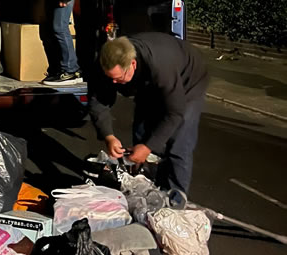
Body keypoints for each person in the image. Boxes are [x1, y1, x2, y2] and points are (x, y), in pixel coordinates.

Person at [88, 33, 209, 194]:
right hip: (148, 83)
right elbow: (98, 101)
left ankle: (176, 198)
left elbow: (174, 113)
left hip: (188, 81)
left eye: (118, 78)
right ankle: (145, 187)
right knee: (141, 131)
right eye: (110, 78)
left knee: (178, 143)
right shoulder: (103, 64)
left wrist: (148, 147)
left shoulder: (161, 66)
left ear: (132, 64)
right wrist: (108, 136)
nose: (114, 84)